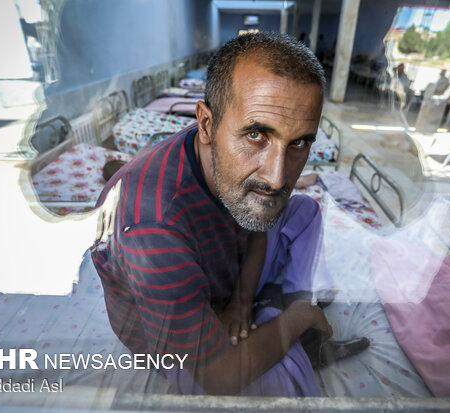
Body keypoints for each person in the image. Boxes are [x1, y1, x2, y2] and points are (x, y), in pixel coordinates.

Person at [90, 32, 339, 397]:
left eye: (299, 142)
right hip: (185, 348)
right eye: (257, 134)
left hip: (230, 284)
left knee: (304, 210)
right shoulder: (149, 227)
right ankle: (285, 314)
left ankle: (274, 305)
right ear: (206, 124)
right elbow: (218, 377)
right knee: (286, 389)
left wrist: (241, 302)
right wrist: (299, 318)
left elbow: (258, 221)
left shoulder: (227, 145)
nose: (278, 175)